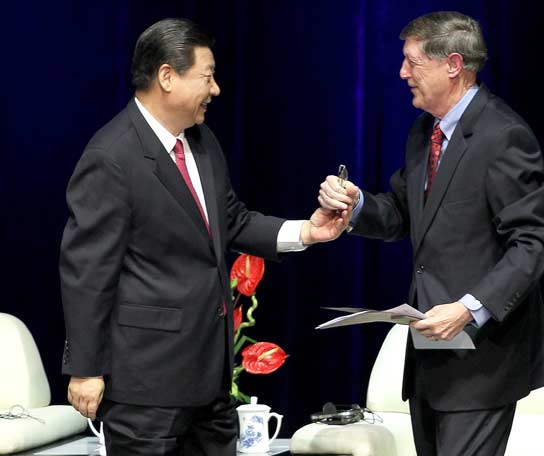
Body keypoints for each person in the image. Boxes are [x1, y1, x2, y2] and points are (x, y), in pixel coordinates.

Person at [59, 18, 348, 456]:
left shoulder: (203, 141)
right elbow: (87, 270)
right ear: (167, 77)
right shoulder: (111, 156)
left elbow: (230, 221)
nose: (216, 90)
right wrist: (85, 370)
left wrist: (307, 231)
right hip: (145, 388)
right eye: (207, 76)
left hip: (209, 381)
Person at [318, 11, 544, 456]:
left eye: (412, 62)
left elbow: (533, 243)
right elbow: (402, 215)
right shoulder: (424, 132)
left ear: (452, 64)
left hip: (482, 359)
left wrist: (469, 309)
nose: (402, 72)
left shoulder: (502, 135)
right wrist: (355, 206)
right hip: (430, 355)